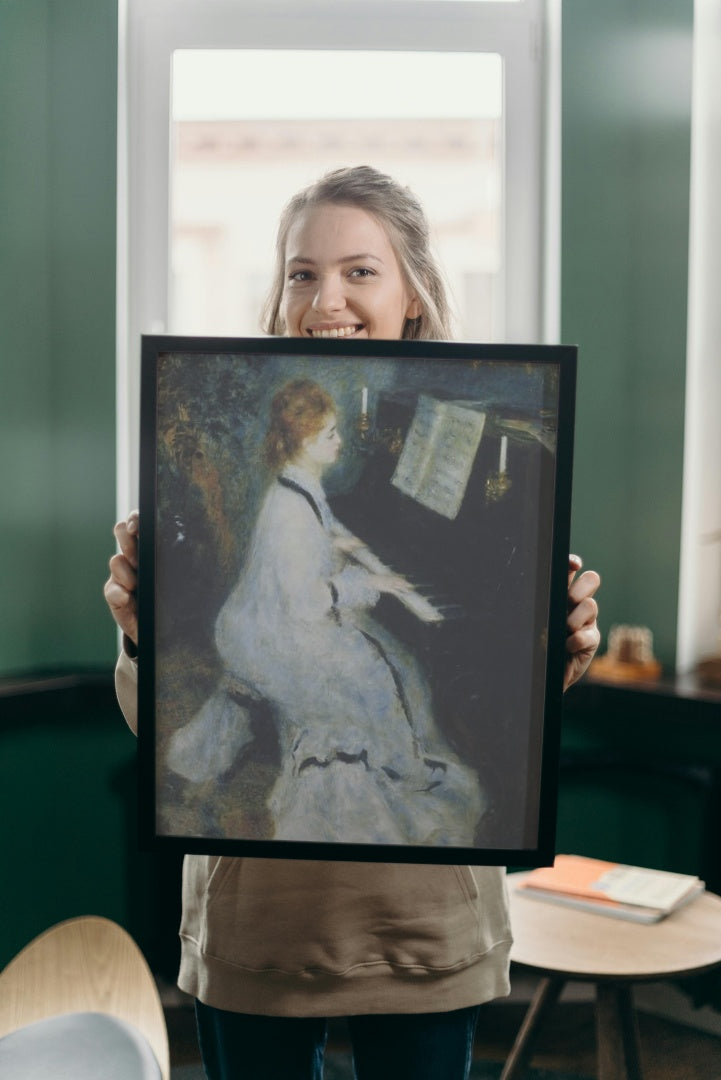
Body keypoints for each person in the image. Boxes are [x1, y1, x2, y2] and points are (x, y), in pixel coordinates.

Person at [105, 165, 601, 1080]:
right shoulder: (263, 485)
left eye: (359, 271)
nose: (324, 297)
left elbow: (507, 691)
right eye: (301, 272)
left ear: (413, 291)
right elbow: (163, 710)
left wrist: (551, 651)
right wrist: (142, 634)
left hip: (421, 927)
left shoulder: (481, 431)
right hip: (260, 925)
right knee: (377, 677)